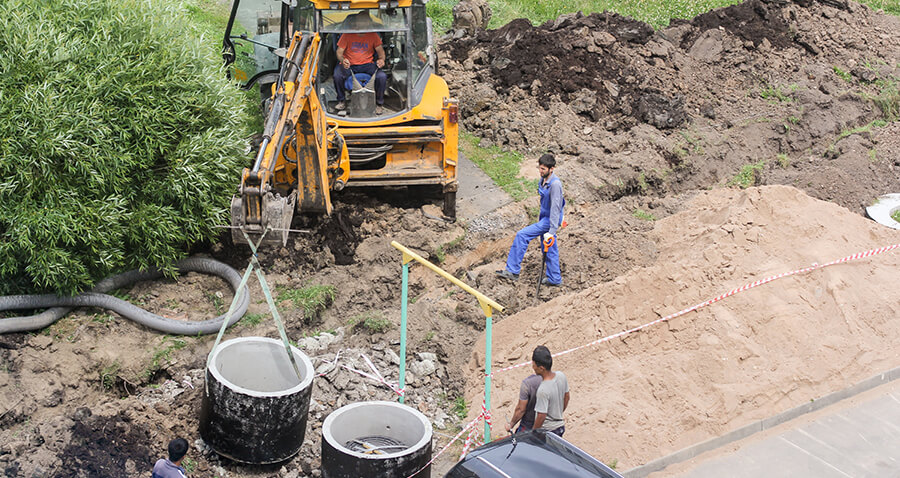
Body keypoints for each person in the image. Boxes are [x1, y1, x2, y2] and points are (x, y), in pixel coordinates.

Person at [496, 154, 565, 285]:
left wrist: (552, 230)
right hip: (544, 216)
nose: (540, 171)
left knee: (522, 235)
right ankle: (555, 279)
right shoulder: (543, 180)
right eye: (540, 168)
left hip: (550, 220)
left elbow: (556, 208)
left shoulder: (555, 184)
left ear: (552, 169)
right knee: (549, 247)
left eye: (543, 169)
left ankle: (512, 271)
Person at [333, 12, 388, 115]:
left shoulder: (373, 35)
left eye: (364, 21)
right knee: (337, 75)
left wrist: (382, 60)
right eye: (359, 21)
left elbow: (381, 52)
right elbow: (339, 52)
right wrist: (342, 60)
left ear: (369, 23)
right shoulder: (347, 34)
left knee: (382, 77)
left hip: (368, 65)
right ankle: (341, 101)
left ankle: (379, 104)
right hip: (349, 65)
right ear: (355, 23)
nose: (361, 24)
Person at [530, 345, 569, 436]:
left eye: (534, 364)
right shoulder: (561, 376)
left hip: (548, 431)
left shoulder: (543, 390)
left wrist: (533, 433)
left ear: (541, 368)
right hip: (560, 427)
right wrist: (557, 413)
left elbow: (541, 416)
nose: (533, 367)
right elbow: (567, 397)